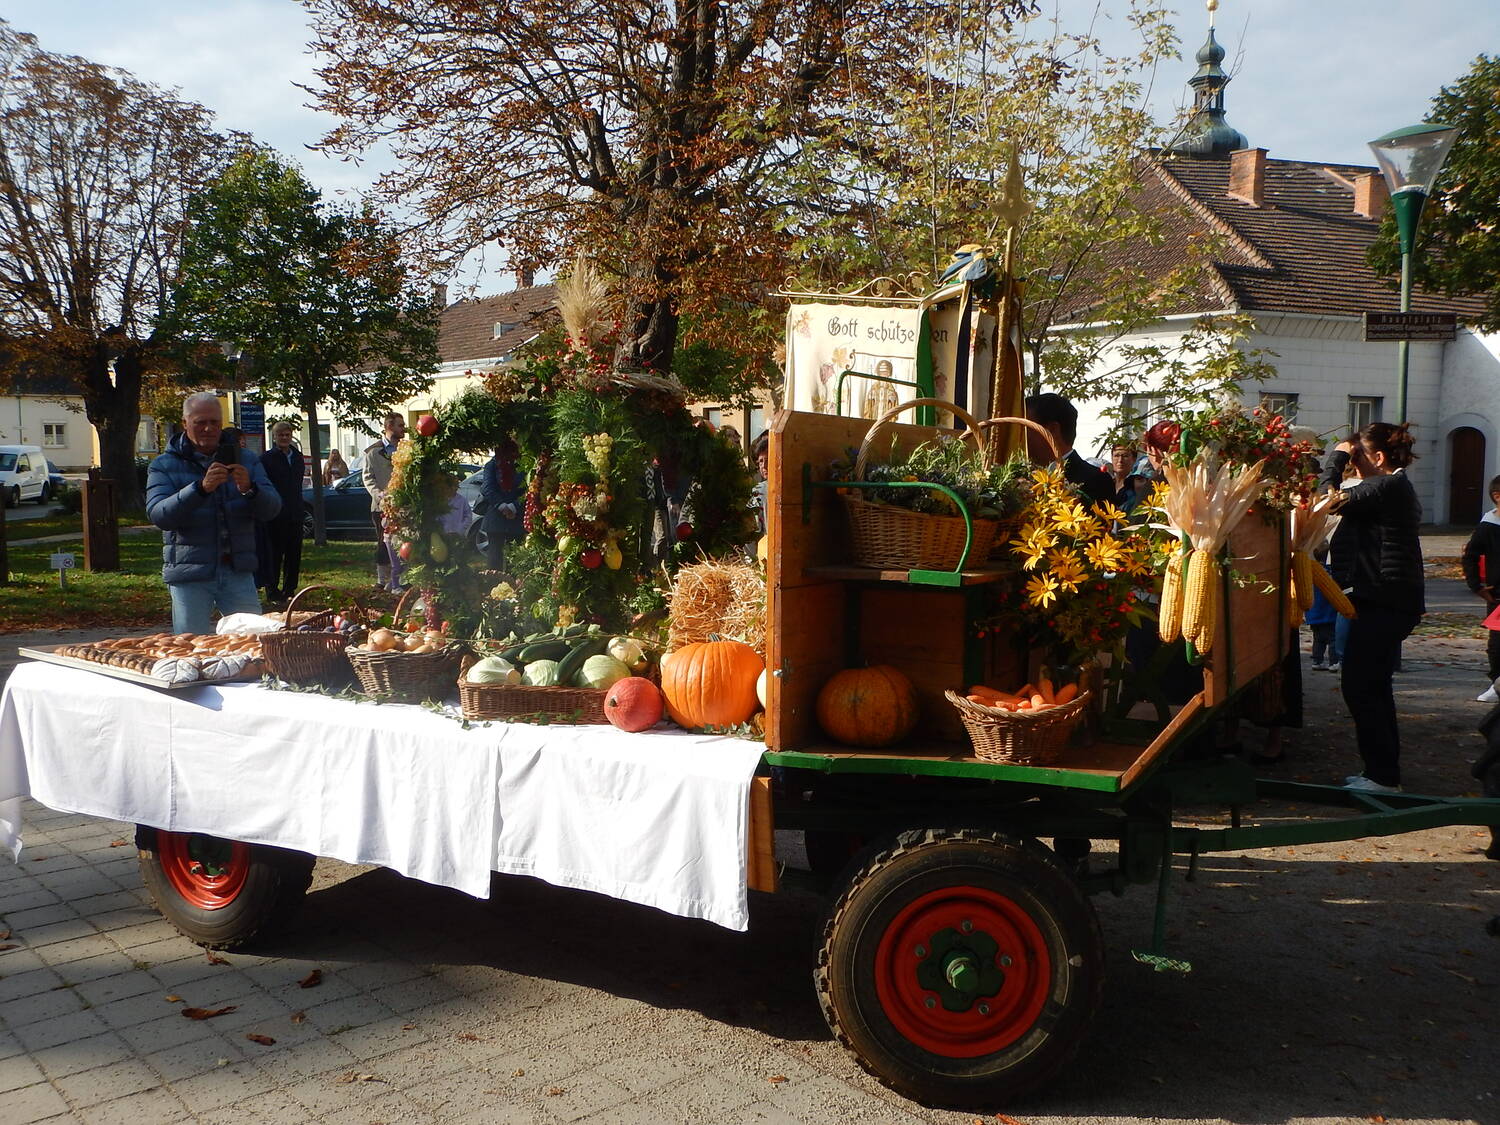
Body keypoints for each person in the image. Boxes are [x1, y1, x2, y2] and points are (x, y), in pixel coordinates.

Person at [1320, 422, 1425, 794]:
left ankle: (1382, 776)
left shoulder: (1386, 487)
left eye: (1357, 456)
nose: (1353, 463)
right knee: (1372, 686)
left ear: (1377, 457)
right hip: (1385, 599)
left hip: (1384, 600)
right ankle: (1382, 772)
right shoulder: (1389, 488)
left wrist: (1335, 458)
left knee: (1362, 686)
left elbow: (1327, 500)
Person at [146, 392, 281, 634]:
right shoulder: (164, 464)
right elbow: (159, 516)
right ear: (185, 422)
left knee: (252, 642)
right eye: (200, 422)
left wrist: (250, 490)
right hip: (190, 575)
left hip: (238, 571)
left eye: (214, 422)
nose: (208, 429)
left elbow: (272, 509)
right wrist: (199, 489)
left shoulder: (246, 460)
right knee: (190, 646)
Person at [1023, 393, 1115, 505]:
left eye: (1025, 429)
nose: (1020, 438)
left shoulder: (1095, 480)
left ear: (1052, 430)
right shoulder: (1021, 477)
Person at [1461, 474, 1500, 702]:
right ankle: (1497, 683)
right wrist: (1476, 586)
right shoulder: (1488, 527)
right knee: (1497, 643)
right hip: (1498, 595)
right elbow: (1470, 556)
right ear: (1497, 497)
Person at [259, 421, 306, 602]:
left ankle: (289, 590)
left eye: (287, 435)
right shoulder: (267, 458)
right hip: (275, 512)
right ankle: (272, 590)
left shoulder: (297, 457)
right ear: (274, 437)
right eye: (281, 435)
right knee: (275, 553)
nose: (284, 438)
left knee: (294, 553)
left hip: (295, 511)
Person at [364, 412, 405, 591]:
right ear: (389, 427)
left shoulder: (405, 449)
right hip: (381, 506)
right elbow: (368, 477)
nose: (403, 429)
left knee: (402, 542)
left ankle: (398, 579)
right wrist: (379, 495)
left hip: (403, 506)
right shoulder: (373, 452)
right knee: (383, 541)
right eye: (400, 425)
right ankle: (382, 579)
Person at [477, 437, 525, 571]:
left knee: (515, 558)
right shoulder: (492, 465)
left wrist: (514, 506)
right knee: (494, 557)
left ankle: (513, 583)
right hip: (496, 517)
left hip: (516, 517)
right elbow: (487, 488)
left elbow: (529, 489)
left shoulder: (523, 465)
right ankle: (494, 582)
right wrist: (502, 506)